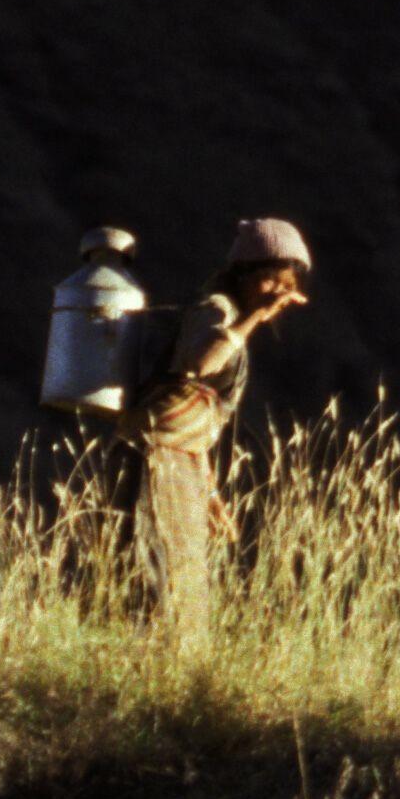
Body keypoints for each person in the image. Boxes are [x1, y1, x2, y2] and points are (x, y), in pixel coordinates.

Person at [123, 216, 314, 634]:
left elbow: (195, 418)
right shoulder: (217, 310)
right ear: (243, 275)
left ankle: (173, 684)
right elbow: (199, 363)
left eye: (287, 286)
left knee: (184, 581)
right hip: (154, 459)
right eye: (270, 282)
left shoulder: (232, 319)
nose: (278, 295)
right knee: (157, 575)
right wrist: (252, 320)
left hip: (181, 464)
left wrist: (209, 492)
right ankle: (149, 677)